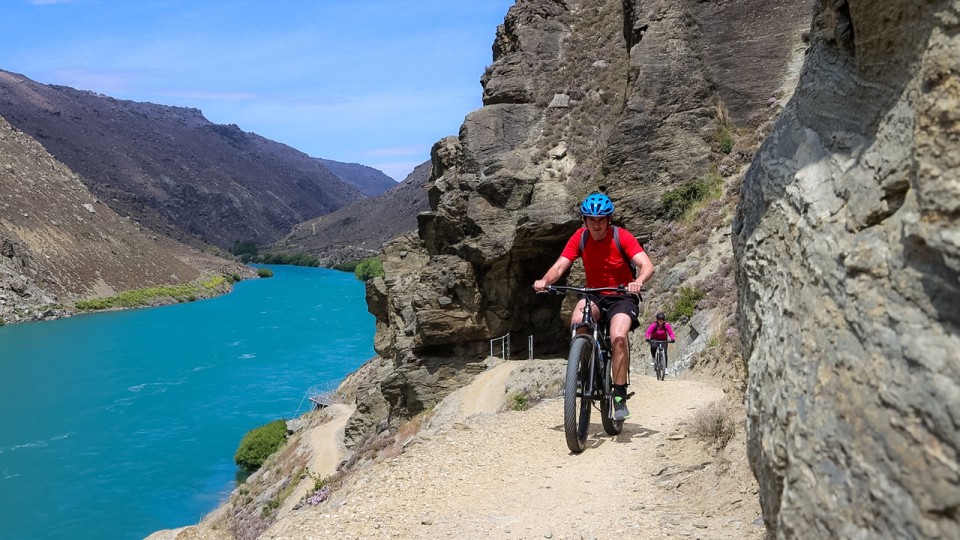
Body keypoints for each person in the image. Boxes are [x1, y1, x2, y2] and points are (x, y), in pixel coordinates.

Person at [534, 192, 655, 421]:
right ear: (585, 220)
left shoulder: (622, 237)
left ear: (608, 220)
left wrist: (637, 282)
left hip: (622, 296)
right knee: (578, 319)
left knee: (618, 336)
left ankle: (618, 395)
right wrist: (545, 281)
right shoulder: (580, 237)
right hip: (594, 294)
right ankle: (582, 368)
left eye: (601, 220)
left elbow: (646, 264)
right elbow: (560, 266)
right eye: (592, 220)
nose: (596, 225)